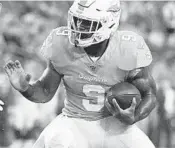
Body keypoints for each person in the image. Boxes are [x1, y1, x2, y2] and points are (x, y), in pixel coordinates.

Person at [4, 0, 157, 148]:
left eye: (87, 23)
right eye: (77, 20)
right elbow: (45, 92)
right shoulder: (61, 43)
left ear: (109, 22)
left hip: (115, 123)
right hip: (74, 121)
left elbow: (149, 95)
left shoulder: (127, 48)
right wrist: (26, 88)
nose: (78, 27)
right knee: (57, 142)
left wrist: (134, 115)